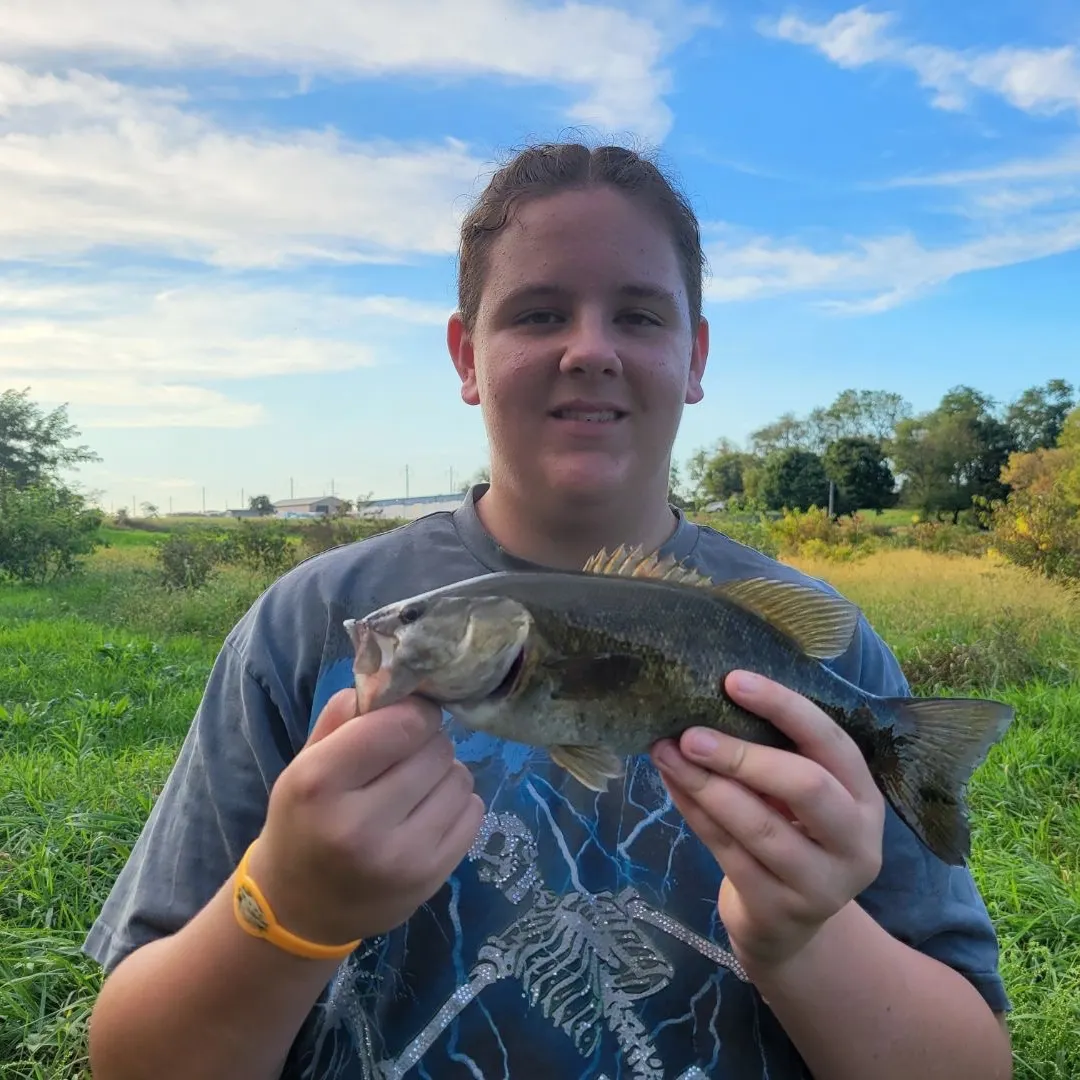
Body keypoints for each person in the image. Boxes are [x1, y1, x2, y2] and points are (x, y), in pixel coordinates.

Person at [84, 141, 1013, 1080]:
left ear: (694, 357)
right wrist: (286, 910)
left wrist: (809, 940)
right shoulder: (301, 626)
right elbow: (133, 1059)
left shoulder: (833, 646)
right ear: (466, 355)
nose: (590, 350)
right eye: (538, 313)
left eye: (639, 315)